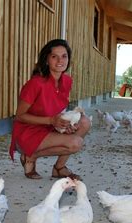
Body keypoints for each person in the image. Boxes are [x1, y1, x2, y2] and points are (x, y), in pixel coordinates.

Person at [9, 39, 91, 180]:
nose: (60, 60)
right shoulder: (35, 83)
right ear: (47, 60)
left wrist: (67, 125)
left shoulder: (66, 81)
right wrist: (52, 121)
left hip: (49, 127)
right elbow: (19, 116)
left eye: (64, 56)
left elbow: (56, 111)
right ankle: (30, 155)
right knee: (75, 143)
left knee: (85, 122)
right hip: (28, 131)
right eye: (54, 56)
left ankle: (59, 168)